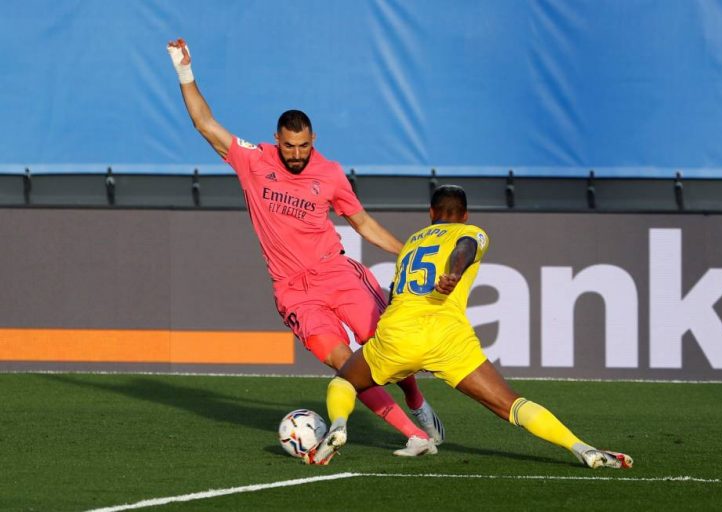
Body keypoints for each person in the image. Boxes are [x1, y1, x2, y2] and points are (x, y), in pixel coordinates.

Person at [166, 38, 443, 456]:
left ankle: (417, 403)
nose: (296, 154)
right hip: (294, 291)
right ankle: (416, 436)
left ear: (314, 139)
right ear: (276, 139)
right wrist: (185, 72)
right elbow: (205, 123)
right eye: (289, 146)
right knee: (345, 364)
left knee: (386, 348)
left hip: (338, 273)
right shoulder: (254, 160)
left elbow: (363, 223)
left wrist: (410, 252)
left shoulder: (330, 174)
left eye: (304, 146)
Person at [305, 185, 634, 469]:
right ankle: (582, 448)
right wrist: (455, 272)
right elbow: (466, 248)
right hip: (449, 339)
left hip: (399, 335)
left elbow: (397, 294)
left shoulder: (412, 243)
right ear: (465, 215)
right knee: (511, 405)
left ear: (430, 212)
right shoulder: (471, 231)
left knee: (346, 380)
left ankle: (337, 425)